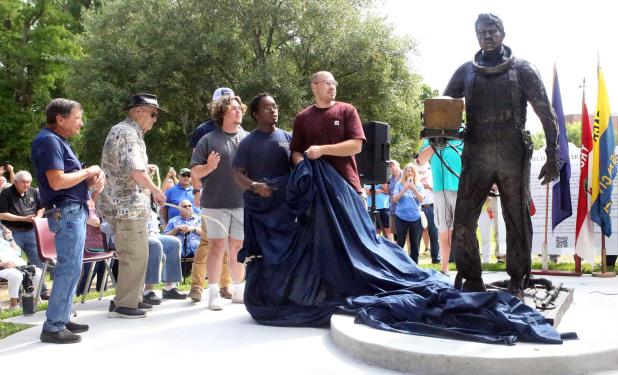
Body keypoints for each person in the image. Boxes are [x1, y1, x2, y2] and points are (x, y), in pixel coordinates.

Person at [444, 14, 560, 297]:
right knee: (462, 220)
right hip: (476, 152)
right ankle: (472, 279)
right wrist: (438, 131)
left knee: (517, 217)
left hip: (512, 151)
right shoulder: (465, 71)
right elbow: (442, 107)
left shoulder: (523, 69)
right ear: (476, 35)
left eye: (492, 30)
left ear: (502, 33)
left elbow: (546, 112)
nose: (487, 35)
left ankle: (518, 279)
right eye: (482, 31)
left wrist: (553, 153)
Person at [32, 98, 105, 344]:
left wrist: (89, 181)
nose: (81, 124)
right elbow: (57, 182)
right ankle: (53, 326)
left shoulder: (58, 141)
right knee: (69, 267)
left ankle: (61, 317)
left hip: (72, 210)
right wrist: (89, 170)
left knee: (74, 267)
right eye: (78, 118)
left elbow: (66, 179)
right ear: (60, 119)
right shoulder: (48, 141)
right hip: (66, 211)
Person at [98, 93, 167, 318]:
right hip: (126, 206)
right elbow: (135, 171)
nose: (155, 119)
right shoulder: (128, 133)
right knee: (134, 255)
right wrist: (156, 190)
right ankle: (124, 304)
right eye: (153, 113)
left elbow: (129, 168)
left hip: (126, 205)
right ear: (137, 111)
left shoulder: (127, 132)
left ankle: (132, 299)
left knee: (140, 253)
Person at [190, 94, 249, 310]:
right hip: (215, 202)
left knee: (238, 246)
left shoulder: (249, 139)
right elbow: (195, 170)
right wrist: (209, 167)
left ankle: (238, 289)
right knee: (216, 246)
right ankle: (213, 293)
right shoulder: (208, 140)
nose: (238, 111)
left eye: (239, 108)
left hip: (242, 202)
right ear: (222, 113)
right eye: (233, 108)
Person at [186, 87, 235, 303]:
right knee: (208, 242)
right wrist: (196, 190)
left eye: (228, 100)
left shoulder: (236, 126)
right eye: (221, 101)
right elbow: (195, 163)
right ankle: (196, 286)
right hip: (210, 192)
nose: (224, 104)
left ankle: (226, 284)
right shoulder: (203, 131)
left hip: (233, 194)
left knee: (228, 242)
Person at [290, 71, 365, 192]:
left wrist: (322, 150)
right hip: (315, 191)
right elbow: (295, 152)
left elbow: (356, 146)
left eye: (334, 83)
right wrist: (303, 168)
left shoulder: (347, 110)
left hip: (346, 187)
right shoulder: (302, 117)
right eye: (328, 83)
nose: (332, 87)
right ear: (314, 86)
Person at [0, 170, 51, 299]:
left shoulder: (33, 191)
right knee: (17, 263)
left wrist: (38, 218)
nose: (26, 185)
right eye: (23, 182)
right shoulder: (6, 194)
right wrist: (22, 219)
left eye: (28, 182)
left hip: (31, 231)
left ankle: (41, 291)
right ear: (15, 182)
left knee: (37, 261)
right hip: (13, 232)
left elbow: (41, 207)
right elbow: (2, 214)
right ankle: (17, 296)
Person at [418, 137, 463, 274]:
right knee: (443, 230)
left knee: (462, 231)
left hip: (462, 189)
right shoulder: (434, 134)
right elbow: (421, 159)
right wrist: (436, 143)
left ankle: (465, 269)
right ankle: (445, 269)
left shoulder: (463, 133)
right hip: (440, 190)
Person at [143, 206, 187, 304]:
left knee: (174, 242)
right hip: (130, 235)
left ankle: (169, 288)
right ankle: (148, 291)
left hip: (151, 234)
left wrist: (153, 232)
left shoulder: (143, 201)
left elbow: (153, 219)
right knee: (155, 244)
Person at [0, 227, 42, 310]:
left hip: (17, 265)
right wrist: (3, 264)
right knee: (16, 275)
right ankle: (13, 305)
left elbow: (18, 252)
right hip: (3, 268)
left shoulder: (3, 240)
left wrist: (10, 238)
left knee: (38, 272)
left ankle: (33, 301)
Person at [391, 163, 425, 263]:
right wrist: (404, 189)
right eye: (407, 171)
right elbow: (395, 199)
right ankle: (400, 264)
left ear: (415, 173)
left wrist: (414, 190)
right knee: (400, 242)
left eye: (412, 171)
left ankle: (414, 265)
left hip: (415, 218)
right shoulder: (399, 184)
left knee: (415, 243)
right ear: (405, 172)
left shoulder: (419, 185)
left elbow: (422, 200)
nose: (409, 173)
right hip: (401, 217)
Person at [415, 158, 441, 264]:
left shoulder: (433, 173)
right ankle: (414, 259)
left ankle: (436, 258)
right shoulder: (413, 173)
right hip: (418, 207)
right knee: (416, 235)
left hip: (431, 207)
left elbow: (439, 190)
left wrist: (429, 186)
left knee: (434, 234)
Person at [478, 185, 507, 263]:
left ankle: (501, 256)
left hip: (496, 200)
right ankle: (485, 259)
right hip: (483, 204)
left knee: (499, 230)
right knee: (485, 235)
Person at [386, 160, 402, 242]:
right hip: (394, 210)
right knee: (396, 234)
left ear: (398, 165)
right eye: (390, 166)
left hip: (405, 209)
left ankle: (410, 254)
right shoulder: (389, 180)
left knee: (407, 233)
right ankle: (398, 252)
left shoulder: (406, 175)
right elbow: (388, 193)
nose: (392, 167)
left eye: (393, 165)